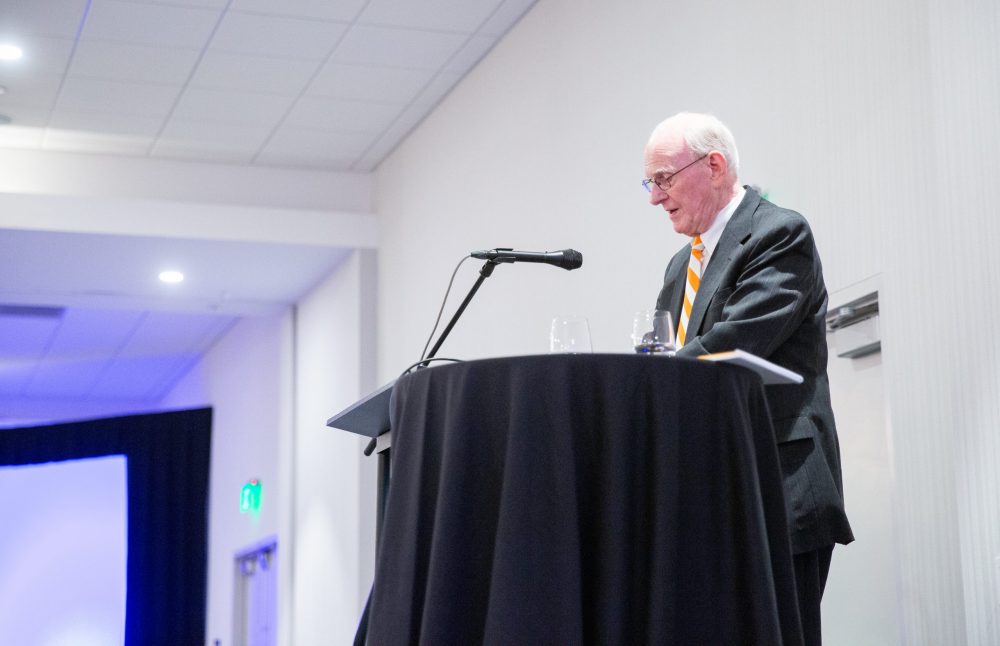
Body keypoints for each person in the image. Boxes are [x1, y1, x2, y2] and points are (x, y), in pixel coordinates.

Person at [644, 112, 854, 645]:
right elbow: (671, 352)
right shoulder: (678, 266)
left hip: (778, 487)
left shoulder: (779, 233)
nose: (654, 197)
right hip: (711, 493)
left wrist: (644, 381)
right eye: (650, 183)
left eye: (664, 179)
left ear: (713, 165)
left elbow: (736, 340)